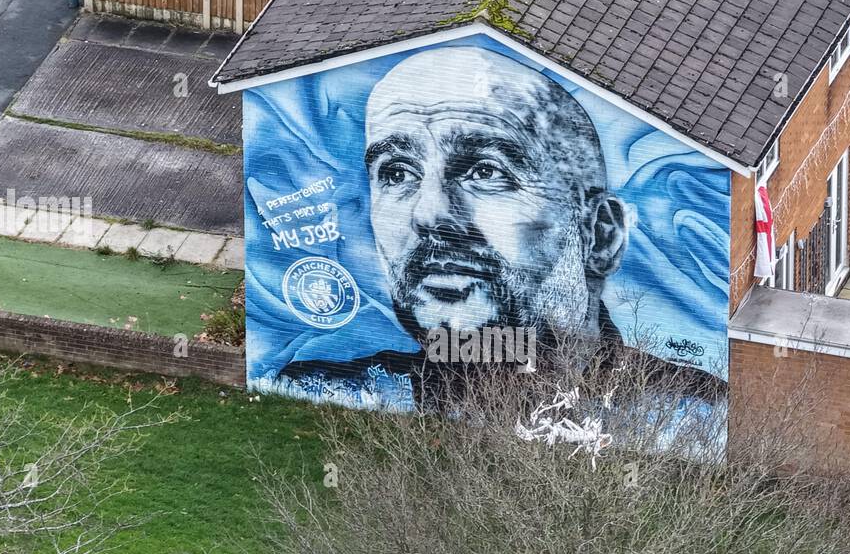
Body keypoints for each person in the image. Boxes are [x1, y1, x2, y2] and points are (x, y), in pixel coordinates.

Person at [278, 45, 725, 406]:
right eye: (397, 173)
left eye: (487, 172)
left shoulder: (687, 410)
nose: (429, 214)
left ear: (600, 235)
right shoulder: (331, 388)